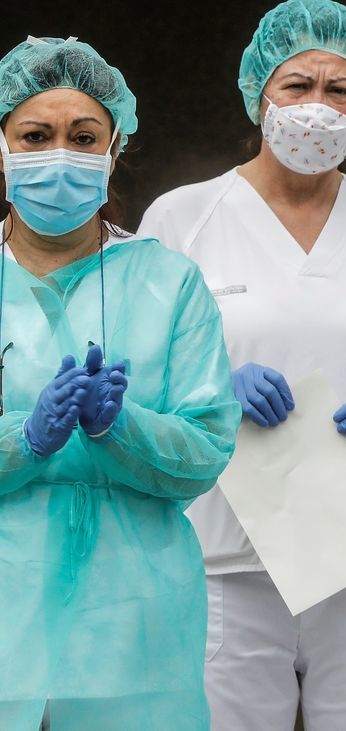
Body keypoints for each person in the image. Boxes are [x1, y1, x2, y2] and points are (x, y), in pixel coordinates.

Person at [137, 2, 346, 728]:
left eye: (339, 89)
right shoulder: (183, 220)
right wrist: (209, 393)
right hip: (225, 566)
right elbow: (136, 400)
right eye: (296, 85)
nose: (316, 105)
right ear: (258, 92)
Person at [0, 36, 240, 730]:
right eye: (35, 136)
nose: (59, 155)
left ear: (114, 149)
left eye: (83, 137)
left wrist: (122, 427)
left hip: (132, 635)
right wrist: (25, 438)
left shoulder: (170, 281)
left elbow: (207, 448)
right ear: (2, 147)